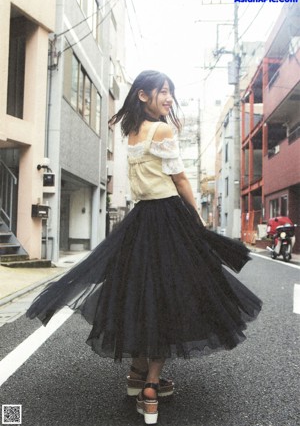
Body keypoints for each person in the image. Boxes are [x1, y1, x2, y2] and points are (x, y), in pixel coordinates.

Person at [27, 70, 262, 425]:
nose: (168, 98)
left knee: (138, 292)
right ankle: (152, 387)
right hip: (168, 217)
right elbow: (179, 177)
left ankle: (138, 376)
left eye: (170, 92)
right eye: (163, 92)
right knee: (171, 295)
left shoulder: (131, 132)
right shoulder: (163, 130)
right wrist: (196, 217)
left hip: (140, 221)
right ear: (142, 95)